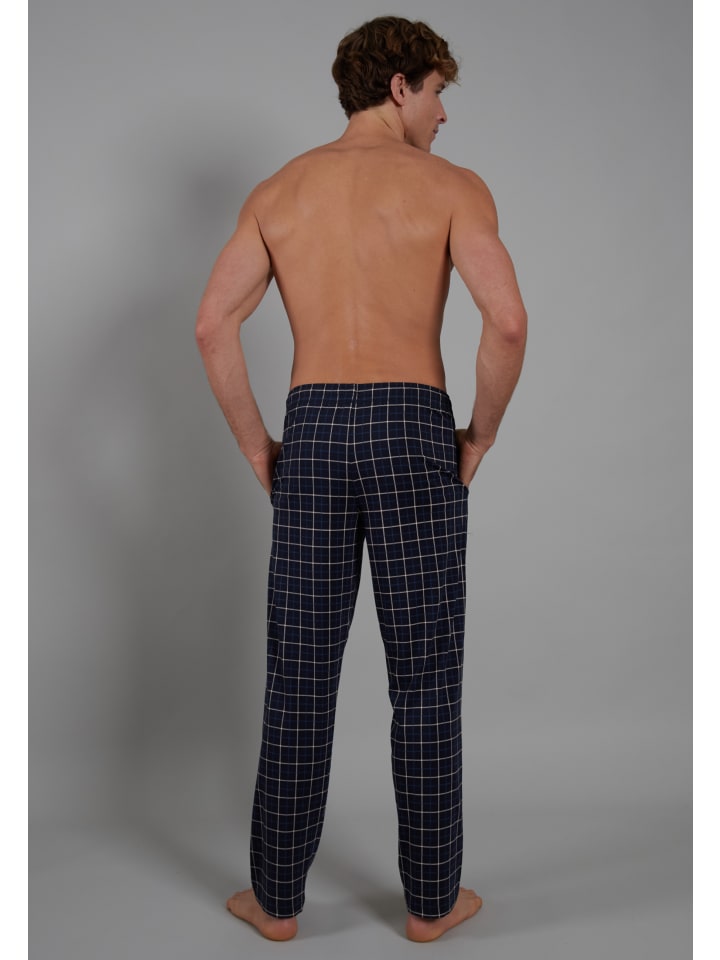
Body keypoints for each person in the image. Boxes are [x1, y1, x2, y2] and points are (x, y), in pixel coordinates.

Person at [195, 15, 527, 943]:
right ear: (399, 86)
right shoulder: (452, 189)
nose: (444, 115)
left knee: (299, 675)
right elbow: (506, 323)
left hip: (312, 428)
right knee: (424, 676)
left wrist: (260, 448)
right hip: (414, 427)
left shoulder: (279, 191)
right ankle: (430, 903)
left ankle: (275, 902)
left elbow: (213, 326)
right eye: (438, 93)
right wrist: (480, 437)